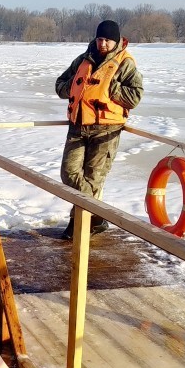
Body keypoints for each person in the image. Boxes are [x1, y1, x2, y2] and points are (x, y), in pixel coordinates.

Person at [55, 20, 144, 240]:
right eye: (100, 39)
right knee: (69, 173)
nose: (103, 43)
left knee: (93, 179)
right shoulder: (84, 59)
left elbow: (134, 97)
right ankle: (97, 217)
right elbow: (60, 85)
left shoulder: (125, 63)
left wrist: (109, 86)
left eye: (107, 40)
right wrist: (76, 86)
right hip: (78, 126)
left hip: (106, 130)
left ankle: (78, 222)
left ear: (116, 41)